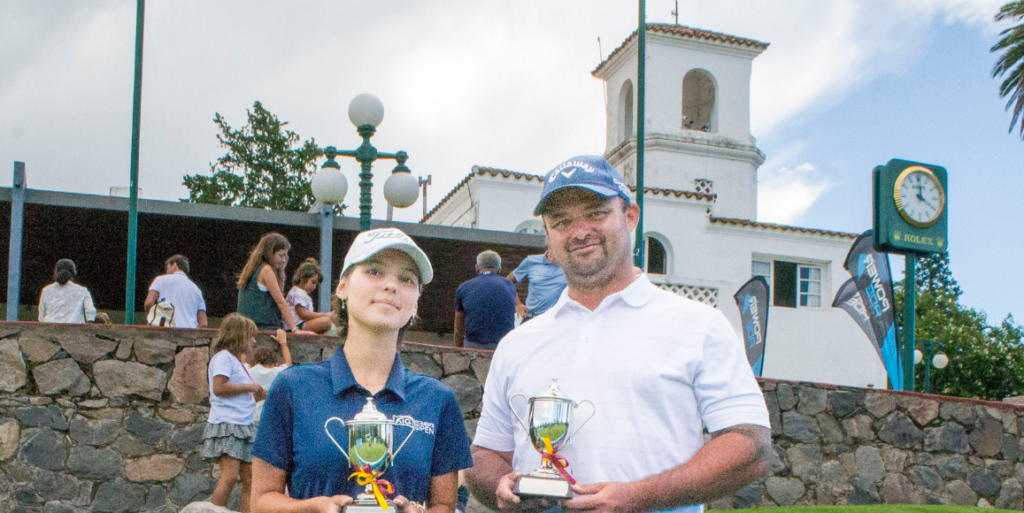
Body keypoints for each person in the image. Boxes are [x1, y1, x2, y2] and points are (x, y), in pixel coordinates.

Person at [466, 156, 771, 513]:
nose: (579, 232)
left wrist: (639, 496)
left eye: (595, 213)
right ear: (548, 238)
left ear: (629, 216)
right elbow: (485, 454)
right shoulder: (517, 343)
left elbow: (751, 447)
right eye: (562, 221)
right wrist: (501, 487)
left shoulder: (699, 324)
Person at [252, 227, 473, 513]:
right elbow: (260, 502)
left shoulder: (438, 400)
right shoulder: (292, 387)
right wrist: (311, 508)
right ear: (342, 286)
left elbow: (444, 505)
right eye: (375, 271)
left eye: (406, 278)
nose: (391, 285)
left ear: (416, 302)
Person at [202, 313, 267, 513]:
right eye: (250, 336)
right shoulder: (223, 358)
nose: (253, 341)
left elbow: (238, 394)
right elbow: (219, 388)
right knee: (230, 477)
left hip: (243, 425)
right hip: (227, 425)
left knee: (250, 479)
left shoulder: (236, 362)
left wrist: (257, 394)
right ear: (239, 337)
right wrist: (250, 387)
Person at [237, 233, 301, 332]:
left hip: (246, 325)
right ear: (270, 252)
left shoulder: (253, 269)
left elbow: (279, 291)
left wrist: (281, 270)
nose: (283, 260)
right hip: (262, 326)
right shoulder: (266, 270)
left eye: (286, 256)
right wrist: (294, 328)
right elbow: (280, 301)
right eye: (281, 255)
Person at [454, 250, 516, 350]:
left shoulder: (464, 287)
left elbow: (459, 325)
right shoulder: (509, 285)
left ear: (477, 267)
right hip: (503, 346)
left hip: (474, 345)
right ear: (499, 269)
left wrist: (458, 349)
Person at [144, 254, 208, 329]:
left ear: (174, 265)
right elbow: (203, 323)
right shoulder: (197, 290)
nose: (166, 272)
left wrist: (151, 320)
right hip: (189, 334)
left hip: (167, 332)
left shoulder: (160, 280)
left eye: (167, 268)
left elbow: (149, 303)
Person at [506, 247, 566, 323]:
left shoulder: (569, 267)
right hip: (531, 318)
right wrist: (517, 304)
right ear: (548, 249)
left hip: (555, 321)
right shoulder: (531, 261)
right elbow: (507, 282)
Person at [246, 329, 292, 425]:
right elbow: (288, 363)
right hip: (268, 420)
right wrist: (283, 342)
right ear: (274, 363)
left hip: (252, 419)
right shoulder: (276, 372)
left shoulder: (247, 371)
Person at [285, 258, 335, 334]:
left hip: (302, 325)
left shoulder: (304, 294)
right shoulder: (297, 292)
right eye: (313, 282)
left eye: (316, 284)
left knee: (331, 326)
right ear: (302, 277)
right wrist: (326, 315)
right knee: (326, 321)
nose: (314, 287)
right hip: (296, 326)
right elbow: (303, 314)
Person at [38, 259, 97, 324]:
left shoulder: (46, 291)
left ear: (56, 273)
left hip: (50, 331)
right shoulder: (83, 291)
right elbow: (91, 312)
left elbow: (41, 317)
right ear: (73, 274)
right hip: (75, 331)